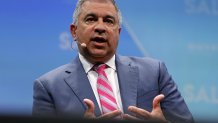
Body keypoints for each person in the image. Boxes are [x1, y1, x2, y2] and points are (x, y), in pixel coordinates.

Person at [32, 0, 194, 122]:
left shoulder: (155, 72)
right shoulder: (48, 87)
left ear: (118, 32)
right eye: (90, 19)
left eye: (109, 21)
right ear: (74, 32)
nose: (100, 27)